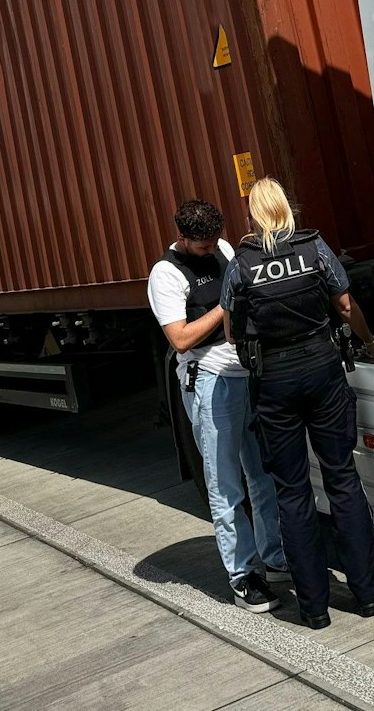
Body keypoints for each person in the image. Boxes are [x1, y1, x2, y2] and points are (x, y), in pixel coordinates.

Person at [222, 178, 374, 629]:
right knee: (342, 479)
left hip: (274, 380)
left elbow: (233, 331)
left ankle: (313, 609)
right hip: (323, 370)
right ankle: (367, 595)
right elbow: (346, 305)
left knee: (292, 493)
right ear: (287, 209)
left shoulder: (242, 264)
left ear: (254, 215)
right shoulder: (314, 249)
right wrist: (370, 344)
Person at [147, 198, 289, 613]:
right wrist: (225, 306)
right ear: (182, 238)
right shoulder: (166, 274)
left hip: (247, 373)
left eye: (215, 242)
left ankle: (275, 557)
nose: (213, 250)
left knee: (262, 474)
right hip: (210, 382)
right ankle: (243, 575)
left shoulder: (225, 249)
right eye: (204, 246)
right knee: (225, 483)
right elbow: (180, 339)